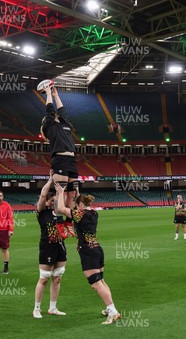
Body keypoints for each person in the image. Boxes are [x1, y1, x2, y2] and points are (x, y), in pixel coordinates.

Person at [54, 183, 121, 325]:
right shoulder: (94, 213)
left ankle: (113, 311)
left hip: (87, 251)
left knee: (96, 284)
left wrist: (60, 192)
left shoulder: (79, 214)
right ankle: (110, 309)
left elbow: (60, 208)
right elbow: (79, 203)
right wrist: (77, 194)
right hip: (97, 249)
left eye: (77, 205)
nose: (75, 208)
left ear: (80, 206)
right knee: (101, 281)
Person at [33, 180, 67, 318]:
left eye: (55, 201)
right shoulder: (41, 212)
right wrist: (50, 181)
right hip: (47, 247)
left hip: (60, 246)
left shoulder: (59, 212)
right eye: (52, 200)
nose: (54, 203)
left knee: (57, 277)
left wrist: (60, 193)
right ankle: (36, 308)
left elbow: (65, 201)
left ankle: (53, 308)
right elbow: (42, 196)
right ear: (47, 201)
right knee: (44, 279)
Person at [41, 85, 79, 207]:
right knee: (61, 193)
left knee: (72, 194)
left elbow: (62, 110)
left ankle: (69, 223)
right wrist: (47, 93)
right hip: (60, 160)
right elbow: (49, 109)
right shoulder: (50, 125)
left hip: (71, 161)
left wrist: (56, 95)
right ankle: (58, 221)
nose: (56, 115)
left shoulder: (64, 123)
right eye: (54, 115)